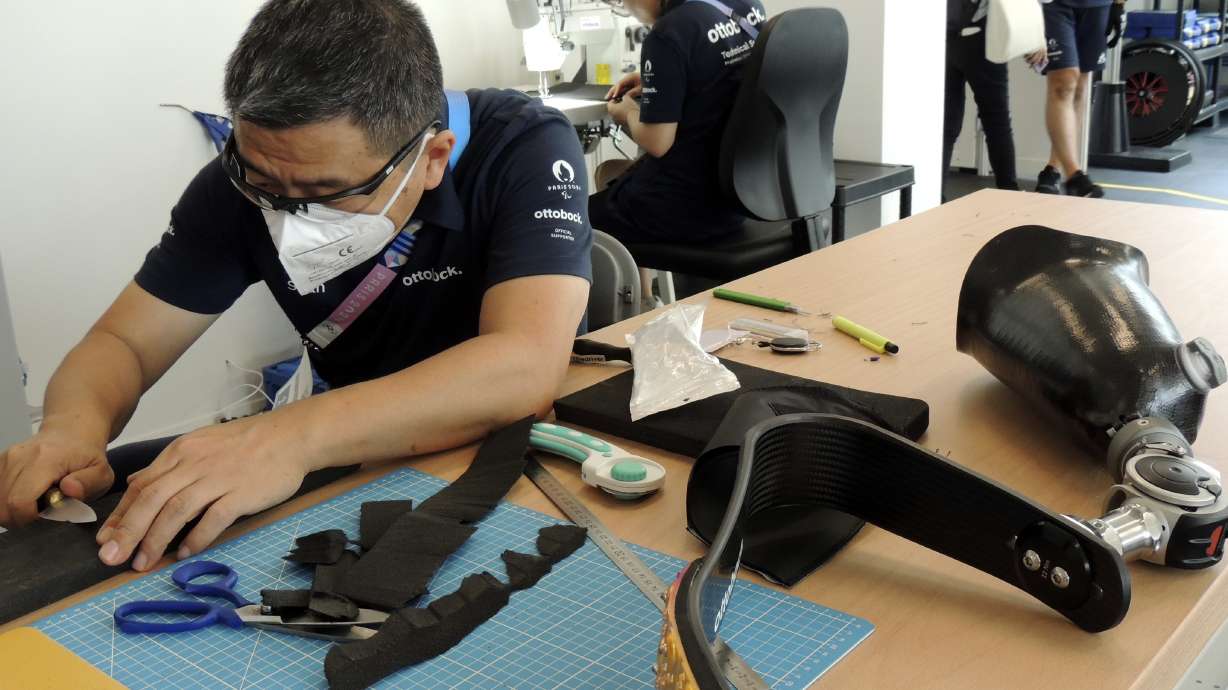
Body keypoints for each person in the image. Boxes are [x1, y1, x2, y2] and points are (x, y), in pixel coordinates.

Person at [0, 0, 592, 572]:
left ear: (433, 159)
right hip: (352, 448)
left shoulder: (522, 146)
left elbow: (525, 364)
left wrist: (287, 438)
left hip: (513, 449)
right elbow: (125, 343)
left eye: (327, 192)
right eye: (265, 184)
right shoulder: (239, 183)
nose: (287, 215)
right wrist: (72, 428)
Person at [588, 0, 768, 249]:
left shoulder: (668, 32)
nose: (627, 10)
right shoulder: (747, 5)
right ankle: (642, 277)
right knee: (609, 172)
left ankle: (636, 275)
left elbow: (657, 142)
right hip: (741, 196)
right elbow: (727, 74)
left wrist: (627, 112)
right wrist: (660, 78)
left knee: (572, 222)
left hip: (683, 208)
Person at [1028, 0, 1126, 197]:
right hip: (1053, 5)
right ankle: (1074, 176)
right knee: (1063, 83)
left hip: (1097, 5)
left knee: (1080, 86)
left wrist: (1119, 5)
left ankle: (1053, 170)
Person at [943, 0, 1020, 198]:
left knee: (945, 124)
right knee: (996, 121)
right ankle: (1009, 196)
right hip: (982, 33)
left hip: (942, 28)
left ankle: (933, 196)